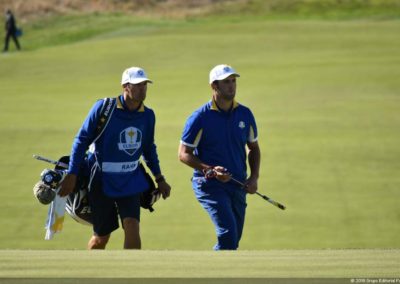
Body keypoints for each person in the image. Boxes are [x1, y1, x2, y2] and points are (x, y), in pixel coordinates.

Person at [59, 66, 171, 249]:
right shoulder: (104, 108)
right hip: (101, 179)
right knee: (102, 237)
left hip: (130, 179)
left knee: (132, 225)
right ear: (125, 86)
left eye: (144, 84)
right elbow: (81, 140)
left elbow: (149, 149)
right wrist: (72, 174)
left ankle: (130, 275)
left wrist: (160, 178)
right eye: (138, 85)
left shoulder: (148, 115)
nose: (142, 89)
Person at [178, 64, 261, 250]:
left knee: (233, 240)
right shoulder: (199, 117)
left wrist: (254, 177)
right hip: (209, 184)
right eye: (226, 82)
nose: (232, 86)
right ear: (214, 86)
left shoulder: (245, 114)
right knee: (228, 233)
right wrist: (209, 169)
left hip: (237, 183)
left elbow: (253, 148)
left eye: (233, 81)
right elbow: (183, 154)